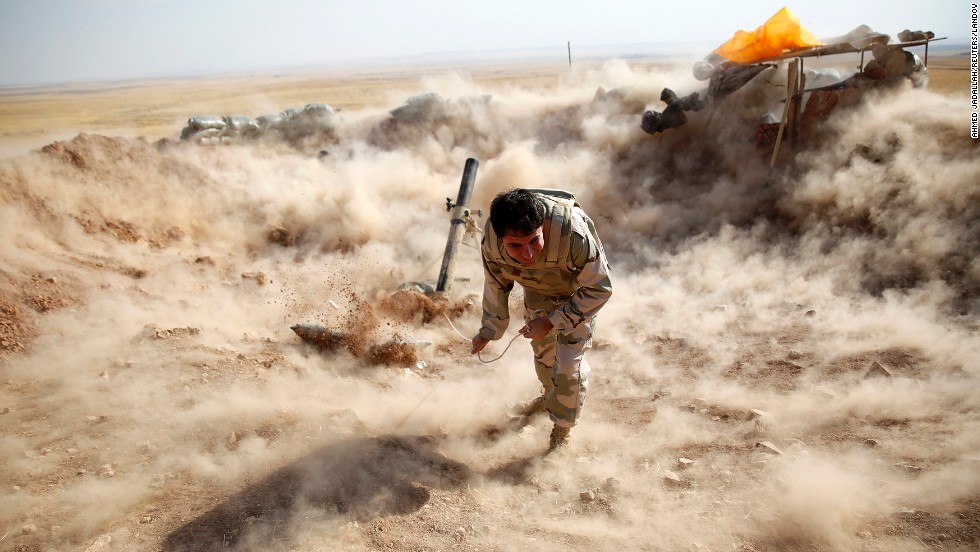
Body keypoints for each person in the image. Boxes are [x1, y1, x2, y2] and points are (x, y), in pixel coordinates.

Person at [470, 188, 612, 453]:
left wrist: (551, 321)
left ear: (542, 227)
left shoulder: (573, 233)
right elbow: (495, 283)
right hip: (538, 293)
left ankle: (562, 430)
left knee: (568, 365)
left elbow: (599, 288)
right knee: (546, 357)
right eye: (515, 246)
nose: (527, 255)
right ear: (501, 239)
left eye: (534, 241)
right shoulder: (490, 238)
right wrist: (490, 329)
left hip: (577, 295)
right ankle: (549, 396)